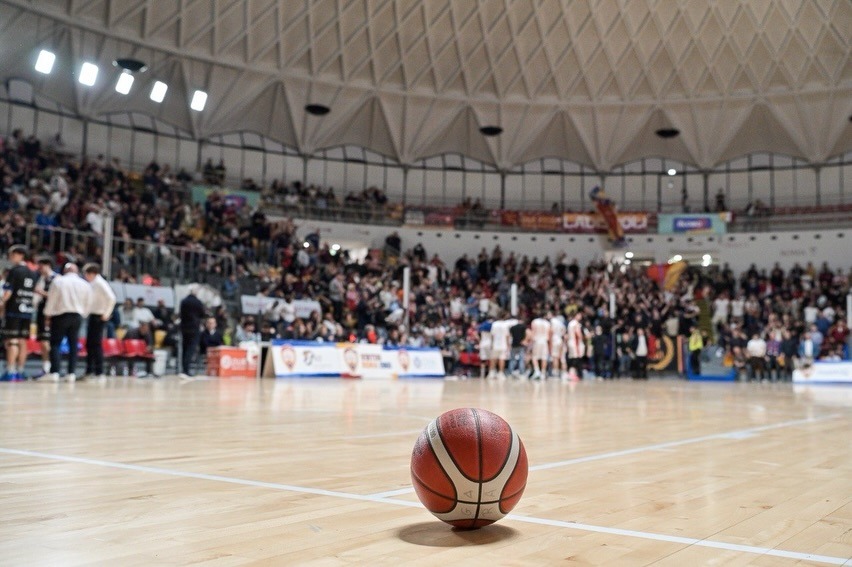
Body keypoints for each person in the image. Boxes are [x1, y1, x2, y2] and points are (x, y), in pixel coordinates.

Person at [42, 263, 92, 382]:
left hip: (60, 316)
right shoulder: (85, 284)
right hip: (77, 317)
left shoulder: (59, 281)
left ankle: (54, 372)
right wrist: (83, 314)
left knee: (55, 344)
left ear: (65, 270)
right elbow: (89, 302)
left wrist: (47, 315)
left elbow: (52, 300)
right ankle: (71, 373)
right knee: (73, 345)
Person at [2, 245, 38, 381]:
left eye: (11, 255)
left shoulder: (15, 271)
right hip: (27, 311)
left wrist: (1, 302)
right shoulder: (33, 272)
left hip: (14, 311)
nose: (10, 258)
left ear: (19, 255)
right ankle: (20, 371)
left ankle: (10, 371)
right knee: (23, 341)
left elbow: (8, 293)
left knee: (12, 341)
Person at [83, 263, 117, 379]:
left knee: (96, 344)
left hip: (99, 316)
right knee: (90, 344)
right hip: (93, 315)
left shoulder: (100, 283)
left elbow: (112, 298)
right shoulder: (93, 283)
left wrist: (106, 314)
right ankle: (90, 370)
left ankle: (99, 372)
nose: (85, 276)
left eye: (86, 274)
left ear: (92, 273)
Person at [33, 256, 56, 378]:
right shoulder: (40, 278)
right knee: (42, 341)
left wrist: (40, 292)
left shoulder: (56, 279)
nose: (39, 269)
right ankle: (45, 366)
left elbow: (55, 297)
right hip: (41, 312)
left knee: (48, 341)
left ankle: (51, 368)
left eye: (41, 266)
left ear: (48, 265)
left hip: (51, 314)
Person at [179, 285, 206, 377]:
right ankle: (187, 370)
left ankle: (183, 369)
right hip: (194, 328)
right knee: (191, 349)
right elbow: (202, 314)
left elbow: (181, 314)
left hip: (184, 327)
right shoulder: (198, 302)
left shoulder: (184, 301)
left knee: (184, 348)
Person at [529, 315, 550, 380]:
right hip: (544, 341)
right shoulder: (547, 323)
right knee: (544, 357)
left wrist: (530, 343)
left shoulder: (534, 321)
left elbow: (533, 332)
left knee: (534, 357)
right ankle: (543, 373)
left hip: (537, 340)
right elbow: (549, 334)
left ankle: (537, 371)